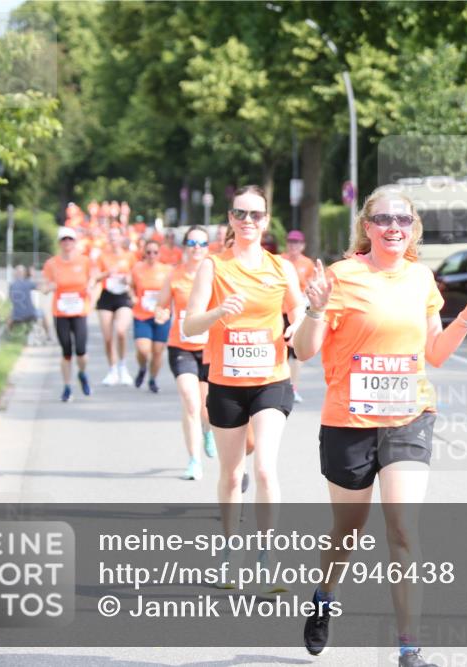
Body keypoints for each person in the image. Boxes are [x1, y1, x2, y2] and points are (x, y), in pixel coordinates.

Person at [292, 189, 467, 667]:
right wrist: (316, 309)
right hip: (348, 421)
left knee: (403, 528)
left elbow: (436, 354)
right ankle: (324, 595)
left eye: (403, 220)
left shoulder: (421, 278)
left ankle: (410, 648)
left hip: (410, 416)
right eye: (383, 218)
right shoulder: (341, 277)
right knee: (348, 530)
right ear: (366, 226)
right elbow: (304, 350)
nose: (394, 227)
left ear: (414, 228)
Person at [183, 185, 304, 575]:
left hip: (271, 379)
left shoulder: (281, 267)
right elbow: (189, 323)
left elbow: (298, 308)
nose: (247, 221)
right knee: (232, 474)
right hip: (226, 382)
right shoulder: (213, 267)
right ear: (230, 219)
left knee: (266, 468)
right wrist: (218, 311)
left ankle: (268, 555)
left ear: (266, 221)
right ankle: (228, 551)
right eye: (240, 214)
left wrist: (297, 324)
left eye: (255, 215)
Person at [154, 225, 218, 480]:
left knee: (206, 407)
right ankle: (194, 460)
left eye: (202, 244)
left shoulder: (216, 274)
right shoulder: (175, 275)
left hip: (210, 347)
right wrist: (161, 314)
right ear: (184, 247)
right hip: (181, 347)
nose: (197, 249)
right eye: (192, 243)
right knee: (190, 402)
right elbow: (161, 306)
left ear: (208, 247)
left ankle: (208, 430)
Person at [40, 227, 97, 402]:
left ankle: (82, 373)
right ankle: (66, 387)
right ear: (59, 243)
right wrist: (50, 287)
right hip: (61, 312)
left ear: (75, 242)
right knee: (66, 351)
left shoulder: (84, 261)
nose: (67, 243)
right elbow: (43, 287)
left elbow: (93, 277)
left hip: (79, 311)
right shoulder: (52, 264)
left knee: (81, 350)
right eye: (64, 240)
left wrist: (90, 286)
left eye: (70, 239)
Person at [95, 226, 137, 386]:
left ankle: (123, 367)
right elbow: (95, 277)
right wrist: (107, 273)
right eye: (110, 235)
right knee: (107, 337)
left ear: (121, 238)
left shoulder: (130, 256)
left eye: (115, 235)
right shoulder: (102, 257)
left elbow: (135, 277)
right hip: (107, 296)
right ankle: (112, 369)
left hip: (123, 296)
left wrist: (129, 280)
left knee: (120, 331)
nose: (113, 238)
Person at [131, 239, 173, 393]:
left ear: (159, 253)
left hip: (161, 315)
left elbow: (173, 290)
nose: (152, 255)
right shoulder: (137, 269)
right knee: (143, 349)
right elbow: (131, 287)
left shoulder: (167, 270)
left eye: (155, 252)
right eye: (148, 252)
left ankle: (152, 379)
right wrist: (133, 296)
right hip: (142, 314)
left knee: (157, 351)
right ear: (144, 253)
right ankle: (142, 367)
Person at [281, 229, 316, 403]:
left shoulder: (307, 263)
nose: (293, 246)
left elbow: (311, 285)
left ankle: (293, 387)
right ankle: (282, 384)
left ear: (302, 245)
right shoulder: (280, 260)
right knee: (281, 350)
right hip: (280, 310)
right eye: (290, 242)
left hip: (298, 310)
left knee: (296, 352)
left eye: (296, 243)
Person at [7, 265, 51, 341]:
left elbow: (11, 299)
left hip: (16, 315)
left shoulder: (12, 285)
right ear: (24, 273)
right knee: (43, 314)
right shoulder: (28, 283)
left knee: (8, 318)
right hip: (31, 313)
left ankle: (8, 336)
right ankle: (48, 336)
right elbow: (43, 290)